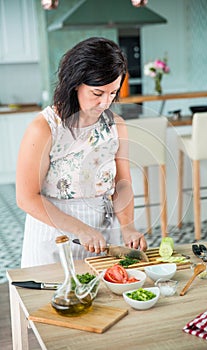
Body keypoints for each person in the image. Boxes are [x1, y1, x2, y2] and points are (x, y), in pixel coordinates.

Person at [16, 37, 147, 268]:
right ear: (75, 83)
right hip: (54, 237)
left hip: (104, 235)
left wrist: (127, 226)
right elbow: (26, 197)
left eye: (112, 93)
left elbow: (122, 183)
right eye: (97, 93)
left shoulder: (116, 126)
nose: (106, 102)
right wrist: (79, 228)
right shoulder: (45, 127)